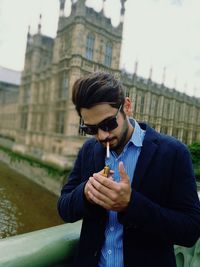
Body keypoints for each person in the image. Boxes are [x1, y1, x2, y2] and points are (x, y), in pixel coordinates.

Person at [57, 71, 200, 267]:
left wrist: (131, 204)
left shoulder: (174, 153)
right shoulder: (89, 150)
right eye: (91, 129)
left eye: (108, 124)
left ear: (127, 106)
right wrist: (86, 193)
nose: (101, 136)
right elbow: (64, 208)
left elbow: (190, 230)